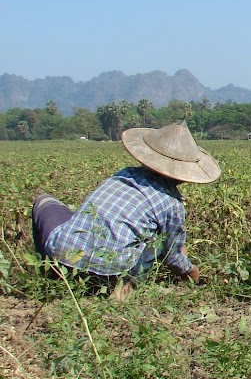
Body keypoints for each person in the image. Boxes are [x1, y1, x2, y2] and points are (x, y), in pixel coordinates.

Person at [31, 122, 220, 299]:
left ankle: (50, 274)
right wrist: (192, 273)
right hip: (111, 272)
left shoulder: (125, 174)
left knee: (44, 202)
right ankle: (124, 287)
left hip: (62, 255)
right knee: (155, 243)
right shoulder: (172, 204)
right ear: (185, 173)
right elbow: (173, 256)